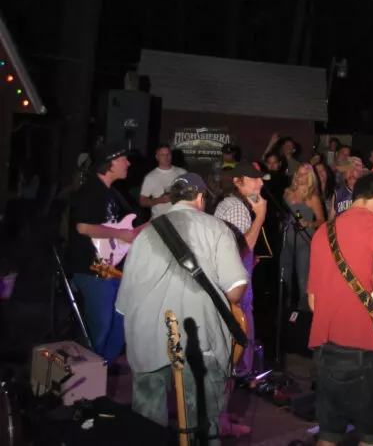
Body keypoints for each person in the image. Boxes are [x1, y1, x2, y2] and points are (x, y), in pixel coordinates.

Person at [116, 173, 249, 444]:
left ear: (173, 199)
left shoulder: (145, 233)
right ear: (200, 198)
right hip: (200, 339)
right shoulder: (217, 228)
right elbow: (236, 288)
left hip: (148, 337)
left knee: (147, 426)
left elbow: (125, 302)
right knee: (201, 423)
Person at [307, 174, 373, 446]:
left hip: (325, 351)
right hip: (362, 348)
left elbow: (313, 302)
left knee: (329, 431)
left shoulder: (324, 230)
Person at [65, 142, 144, 363]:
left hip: (110, 269)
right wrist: (122, 236)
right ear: (109, 164)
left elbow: (116, 229)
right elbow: (83, 227)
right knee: (99, 330)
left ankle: (100, 377)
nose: (128, 163)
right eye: (123, 159)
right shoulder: (91, 190)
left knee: (119, 326)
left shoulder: (112, 194)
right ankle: (85, 389)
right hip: (91, 270)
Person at [213, 161, 267, 374]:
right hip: (234, 286)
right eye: (254, 179)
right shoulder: (236, 207)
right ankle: (240, 372)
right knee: (241, 325)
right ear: (238, 182)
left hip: (229, 280)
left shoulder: (234, 204)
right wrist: (261, 216)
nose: (260, 183)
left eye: (260, 178)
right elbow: (240, 251)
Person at [281, 164, 325, 310]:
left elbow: (321, 220)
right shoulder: (287, 193)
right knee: (284, 273)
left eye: (304, 174)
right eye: (298, 173)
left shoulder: (312, 198)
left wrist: (309, 223)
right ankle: (285, 308)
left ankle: (305, 312)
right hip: (287, 238)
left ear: (310, 177)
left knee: (303, 277)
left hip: (304, 240)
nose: (300, 176)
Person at [139, 144, 187, 218]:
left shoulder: (182, 172)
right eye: (162, 155)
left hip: (180, 218)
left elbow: (190, 192)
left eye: (168, 154)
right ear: (157, 157)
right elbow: (142, 201)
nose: (166, 157)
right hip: (161, 220)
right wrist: (159, 200)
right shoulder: (151, 177)